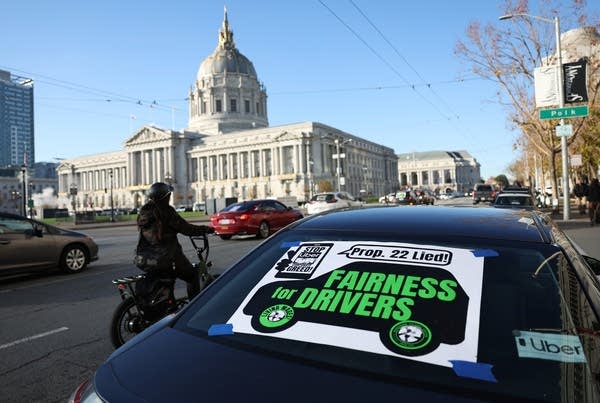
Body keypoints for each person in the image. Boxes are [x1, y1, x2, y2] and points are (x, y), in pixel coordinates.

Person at [137, 182, 214, 299]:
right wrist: (206, 229)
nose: (170, 197)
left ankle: (168, 303)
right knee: (192, 275)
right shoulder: (166, 211)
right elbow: (187, 229)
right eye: (168, 195)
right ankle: (193, 308)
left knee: (166, 279)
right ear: (165, 197)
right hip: (167, 257)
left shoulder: (144, 212)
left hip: (146, 257)